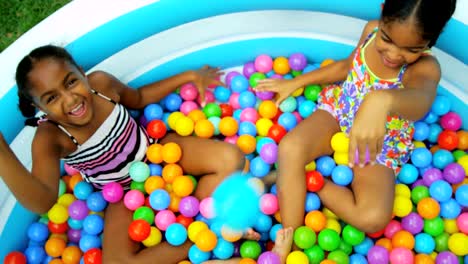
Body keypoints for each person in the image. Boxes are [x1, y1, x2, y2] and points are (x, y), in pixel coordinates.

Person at [0, 45, 247, 263]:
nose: (70, 99)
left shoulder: (101, 85)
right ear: (38, 107)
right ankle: (206, 231)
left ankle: (200, 209)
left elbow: (138, 98)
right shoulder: (49, 137)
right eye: (52, 98)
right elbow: (43, 200)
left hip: (158, 151)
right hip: (120, 192)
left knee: (232, 158)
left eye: (71, 82)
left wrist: (190, 76)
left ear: (81, 72)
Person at [253, 0, 457, 262]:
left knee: (372, 219)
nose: (394, 54)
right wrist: (296, 81)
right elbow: (347, 66)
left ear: (432, 41)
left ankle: (309, 180)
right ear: (382, 13)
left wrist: (382, 100)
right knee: (290, 147)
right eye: (388, 39)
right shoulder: (371, 31)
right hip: (340, 113)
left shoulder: (425, 68)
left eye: (412, 49)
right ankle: (288, 240)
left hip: (378, 144)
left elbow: (421, 100)